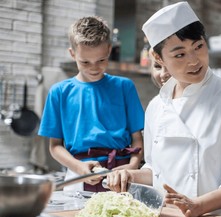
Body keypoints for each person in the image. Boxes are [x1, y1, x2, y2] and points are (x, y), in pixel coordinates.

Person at [106, 1, 221, 217]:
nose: (194, 60)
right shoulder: (156, 107)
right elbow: (155, 170)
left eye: (198, 46)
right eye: (180, 54)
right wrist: (131, 176)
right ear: (159, 59)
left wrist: (198, 205)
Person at [38, 16, 145, 192]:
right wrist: (79, 167)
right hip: (79, 173)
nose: (94, 68)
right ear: (72, 54)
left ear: (109, 50)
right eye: (85, 62)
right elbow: (55, 146)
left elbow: (137, 139)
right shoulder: (59, 92)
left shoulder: (124, 87)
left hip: (121, 176)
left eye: (101, 60)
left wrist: (132, 166)